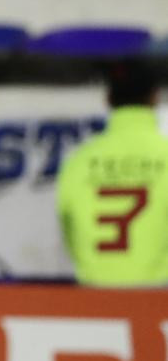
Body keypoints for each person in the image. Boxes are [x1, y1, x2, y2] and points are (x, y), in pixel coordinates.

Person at [58, 59, 168, 287]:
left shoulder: (79, 160)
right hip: (159, 302)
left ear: (107, 99)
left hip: (98, 304)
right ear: (155, 97)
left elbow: (68, 232)